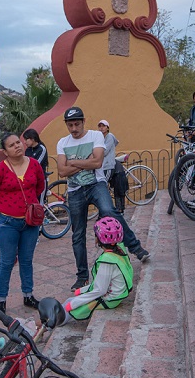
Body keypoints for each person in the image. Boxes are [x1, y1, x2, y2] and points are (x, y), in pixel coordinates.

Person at [57, 106, 149, 292]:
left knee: (109, 211)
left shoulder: (95, 136)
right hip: (75, 191)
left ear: (83, 122)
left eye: (77, 124)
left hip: (96, 184)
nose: (74, 128)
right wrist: (85, 162)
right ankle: (82, 275)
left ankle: (135, 247)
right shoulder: (62, 142)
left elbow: (97, 162)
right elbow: (62, 171)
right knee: (77, 234)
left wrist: (72, 162)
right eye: (70, 125)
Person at [0, 133, 46, 313]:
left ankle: (28, 295)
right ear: (5, 151)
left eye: (18, 142)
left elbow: (40, 186)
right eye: (12, 145)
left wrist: (30, 204)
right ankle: (1, 299)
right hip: (6, 223)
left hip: (30, 222)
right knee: (7, 261)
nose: (17, 146)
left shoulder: (34, 165)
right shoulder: (1, 169)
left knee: (27, 260)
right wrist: (3, 208)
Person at [61, 217, 134, 322]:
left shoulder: (107, 261)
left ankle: (49, 325)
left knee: (70, 307)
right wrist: (82, 291)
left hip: (111, 298)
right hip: (118, 292)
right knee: (69, 300)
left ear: (98, 239)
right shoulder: (120, 249)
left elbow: (100, 290)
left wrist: (74, 304)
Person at [98, 119, 128, 213]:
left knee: (102, 186)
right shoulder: (101, 138)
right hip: (102, 166)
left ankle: (107, 209)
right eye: (100, 126)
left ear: (107, 128)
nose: (101, 128)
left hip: (108, 166)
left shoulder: (109, 137)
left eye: (103, 126)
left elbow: (104, 151)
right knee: (103, 186)